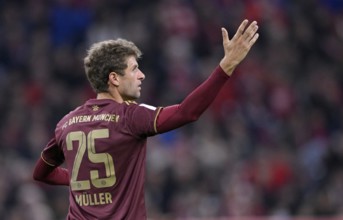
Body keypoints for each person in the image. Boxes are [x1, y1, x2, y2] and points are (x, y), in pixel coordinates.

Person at [33, 19, 259, 219]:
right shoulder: (130, 117)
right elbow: (187, 112)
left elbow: (41, 173)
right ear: (114, 78)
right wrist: (226, 66)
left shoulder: (66, 123)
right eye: (134, 69)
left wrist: (79, 179)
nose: (141, 75)